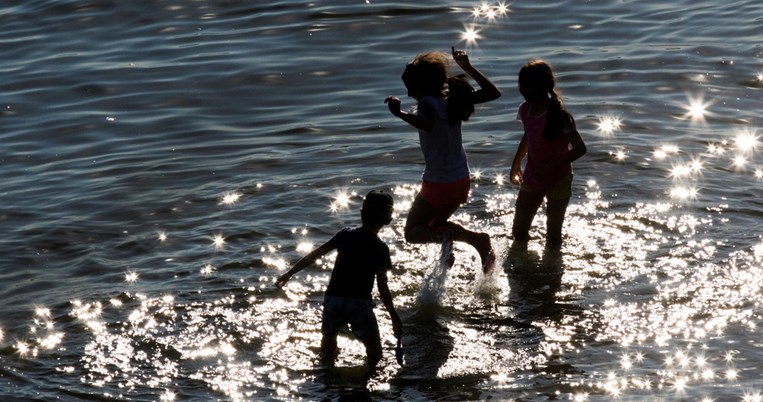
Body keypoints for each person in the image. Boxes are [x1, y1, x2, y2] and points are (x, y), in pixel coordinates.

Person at [384, 47, 500, 273]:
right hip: (460, 179)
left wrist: (400, 114)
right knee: (435, 225)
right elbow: (492, 93)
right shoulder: (453, 100)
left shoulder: (427, 103)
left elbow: (427, 125)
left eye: (410, 88)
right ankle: (457, 247)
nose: (408, 95)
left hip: (439, 183)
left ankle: (469, 241)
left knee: (413, 232)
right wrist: (468, 68)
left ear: (421, 85)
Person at [275, 190, 403, 368]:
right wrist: (394, 317)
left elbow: (315, 254)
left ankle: (326, 377)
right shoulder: (380, 247)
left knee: (328, 342)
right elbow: (382, 287)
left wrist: (289, 274)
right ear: (388, 221)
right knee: (375, 353)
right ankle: (365, 384)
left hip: (333, 300)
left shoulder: (345, 234)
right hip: (359, 303)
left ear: (361, 214)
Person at [509, 59, 587, 250]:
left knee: (553, 234)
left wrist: (554, 165)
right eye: (521, 84)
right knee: (518, 231)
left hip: (559, 177)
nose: (522, 89)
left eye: (526, 85)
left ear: (541, 86)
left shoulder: (559, 117)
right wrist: (516, 163)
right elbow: (528, 135)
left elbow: (580, 148)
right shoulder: (525, 110)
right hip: (533, 175)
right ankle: (522, 267)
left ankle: (551, 272)